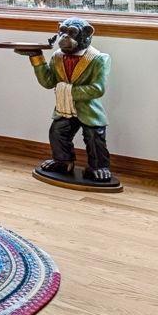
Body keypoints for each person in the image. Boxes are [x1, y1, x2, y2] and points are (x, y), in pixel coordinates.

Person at [30, 17, 113, 187]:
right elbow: (48, 82)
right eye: (63, 31)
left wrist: (67, 91)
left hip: (88, 109)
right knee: (57, 132)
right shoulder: (57, 57)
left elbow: (98, 89)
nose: (65, 37)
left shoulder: (99, 59)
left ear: (87, 34)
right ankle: (63, 161)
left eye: (72, 33)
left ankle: (98, 167)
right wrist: (36, 58)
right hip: (64, 108)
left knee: (94, 137)